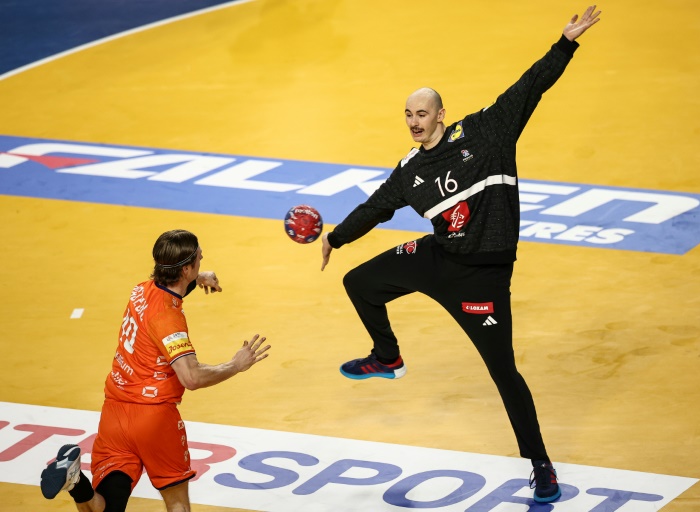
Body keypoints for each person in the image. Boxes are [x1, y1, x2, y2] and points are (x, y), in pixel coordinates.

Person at [320, 6, 601, 503]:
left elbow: (530, 85)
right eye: (407, 114)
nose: (413, 121)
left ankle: (540, 464)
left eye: (421, 113)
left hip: (483, 280)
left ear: (441, 115)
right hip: (436, 257)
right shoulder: (409, 169)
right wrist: (335, 238)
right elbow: (376, 208)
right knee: (358, 282)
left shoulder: (486, 133)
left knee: (504, 374)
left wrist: (565, 44)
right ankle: (388, 358)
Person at [40, 229, 271, 512]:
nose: (202, 256)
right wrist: (236, 365)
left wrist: (199, 278)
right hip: (153, 420)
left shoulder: (141, 290)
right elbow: (191, 377)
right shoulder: (169, 319)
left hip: (115, 414)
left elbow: (169, 286)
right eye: (199, 256)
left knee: (106, 508)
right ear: (185, 268)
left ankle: (76, 483)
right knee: (177, 504)